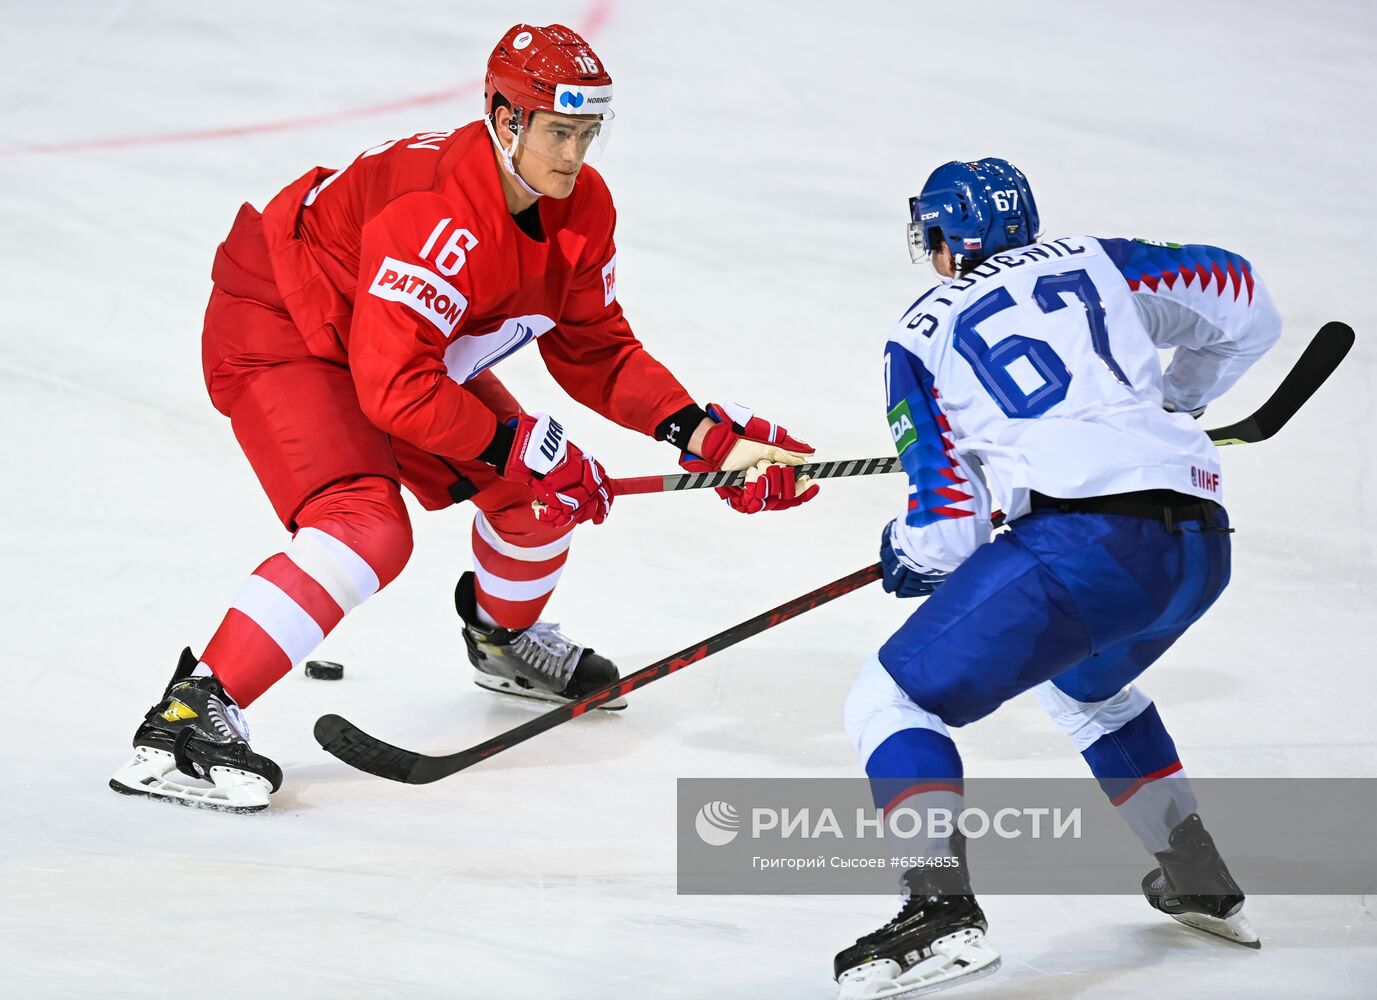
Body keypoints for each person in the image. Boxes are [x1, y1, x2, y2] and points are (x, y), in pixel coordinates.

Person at [108, 23, 818, 813]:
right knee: (365, 526)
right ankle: (187, 719)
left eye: (588, 134)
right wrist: (519, 444)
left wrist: (710, 438)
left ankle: (501, 639)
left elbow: (597, 350)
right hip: (285, 326)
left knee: (535, 498)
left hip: (396, 350)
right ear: (505, 117)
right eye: (557, 132)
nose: (574, 155)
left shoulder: (580, 205)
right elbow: (394, 391)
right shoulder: (437, 210)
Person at [832, 158, 1279, 997]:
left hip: (1091, 546)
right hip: (1198, 545)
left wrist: (903, 551)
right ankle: (1194, 872)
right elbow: (1245, 300)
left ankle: (938, 915)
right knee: (1080, 688)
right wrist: (1176, 404)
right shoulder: (1098, 259)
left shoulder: (917, 335)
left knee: (890, 699)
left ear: (944, 240)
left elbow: (946, 530)